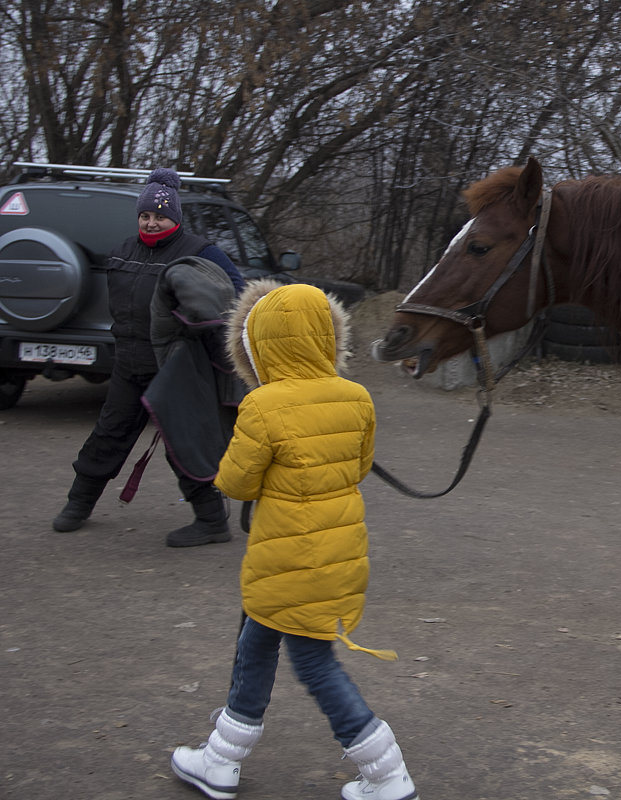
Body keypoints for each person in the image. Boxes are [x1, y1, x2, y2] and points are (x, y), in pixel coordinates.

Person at [170, 281, 419, 800]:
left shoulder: (263, 405)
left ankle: (387, 773)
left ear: (259, 344)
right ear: (328, 337)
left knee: (312, 662)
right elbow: (360, 465)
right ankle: (221, 757)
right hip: (338, 553)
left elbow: (235, 483)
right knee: (255, 646)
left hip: (287, 556)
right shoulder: (357, 397)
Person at [51, 167, 246, 546]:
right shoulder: (123, 251)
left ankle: (211, 521)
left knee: (182, 441)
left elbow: (234, 298)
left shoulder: (200, 252)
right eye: (146, 215)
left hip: (176, 365)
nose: (152, 223)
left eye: (160, 216)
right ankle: (78, 504)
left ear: (174, 217)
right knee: (108, 434)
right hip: (129, 361)